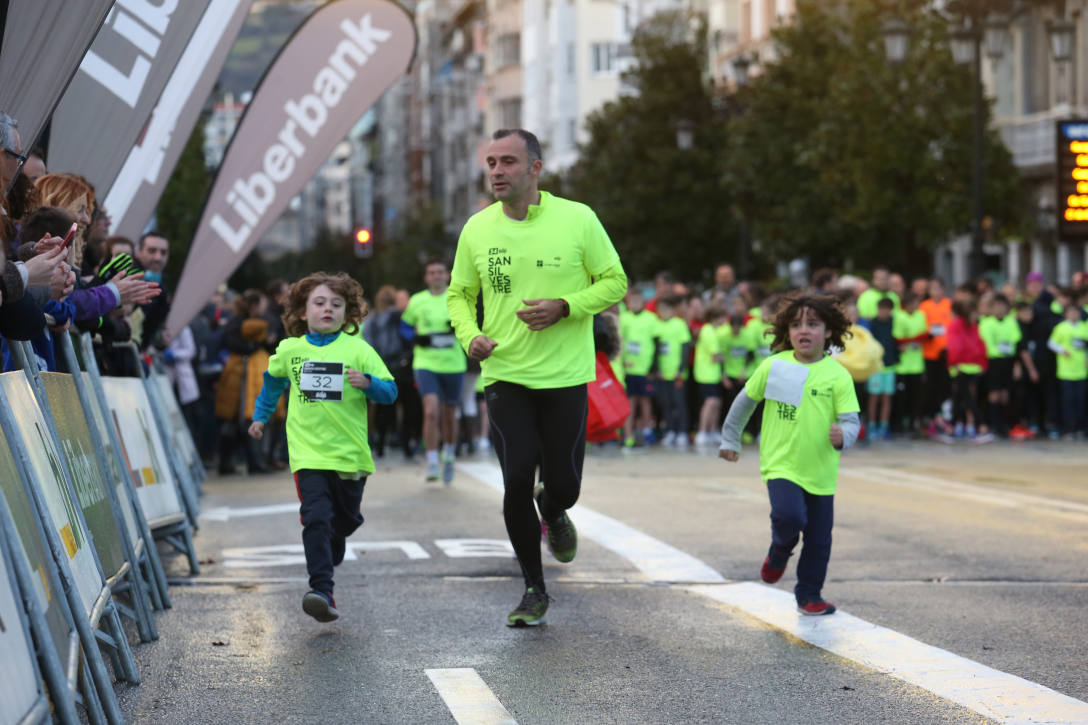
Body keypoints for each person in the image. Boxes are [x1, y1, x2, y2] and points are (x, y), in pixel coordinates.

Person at [447, 128, 627, 627]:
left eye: (508, 161)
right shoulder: (477, 230)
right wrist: (470, 336)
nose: (497, 171)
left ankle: (555, 511)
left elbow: (615, 281)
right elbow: (459, 294)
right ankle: (533, 589)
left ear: (535, 168)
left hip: (566, 374)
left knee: (563, 485)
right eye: (491, 163)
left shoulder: (577, 219)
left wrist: (566, 306)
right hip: (505, 373)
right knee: (515, 480)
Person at [248, 272, 397, 622]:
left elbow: (390, 392)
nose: (327, 309)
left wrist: (369, 383)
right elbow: (272, 385)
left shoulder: (359, 349)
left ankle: (337, 537)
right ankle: (322, 591)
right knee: (315, 518)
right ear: (302, 311)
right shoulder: (290, 350)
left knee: (342, 522)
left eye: (336, 304)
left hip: (350, 455)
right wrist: (260, 417)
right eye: (319, 303)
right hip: (308, 454)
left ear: (348, 313)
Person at [718, 293, 859, 616]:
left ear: (828, 331)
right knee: (790, 517)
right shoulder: (774, 365)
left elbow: (851, 421)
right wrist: (730, 439)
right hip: (781, 464)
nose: (804, 330)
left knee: (819, 540)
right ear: (787, 331)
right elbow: (744, 402)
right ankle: (780, 550)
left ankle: (809, 594)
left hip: (821, 471)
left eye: (813, 323)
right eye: (796, 325)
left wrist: (844, 437)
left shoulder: (837, 375)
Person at [402, 259, 466, 483]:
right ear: (426, 277)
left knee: (450, 414)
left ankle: (448, 455)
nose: (436, 276)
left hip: (453, 364)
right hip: (425, 363)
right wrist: (415, 338)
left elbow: (472, 322)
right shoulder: (417, 301)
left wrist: (458, 327)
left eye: (440, 272)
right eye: (432, 273)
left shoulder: (457, 297)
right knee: (430, 412)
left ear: (447, 275)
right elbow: (405, 326)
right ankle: (431, 461)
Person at [619, 288, 658, 447]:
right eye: (632, 301)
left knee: (646, 401)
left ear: (643, 302)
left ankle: (647, 432)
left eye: (637, 301)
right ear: (628, 303)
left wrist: (653, 368)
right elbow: (620, 342)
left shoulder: (651, 318)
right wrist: (622, 362)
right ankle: (628, 436)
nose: (634, 304)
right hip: (629, 369)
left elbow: (656, 343)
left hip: (645, 369)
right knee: (630, 402)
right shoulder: (624, 318)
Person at [979, 294, 1020, 438]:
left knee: (1005, 394)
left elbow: (1015, 342)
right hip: (993, 361)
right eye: (996, 306)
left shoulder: (1011, 322)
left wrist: (1016, 364)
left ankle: (1004, 425)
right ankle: (993, 424)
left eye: (1002, 305)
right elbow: (987, 345)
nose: (999, 308)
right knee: (994, 394)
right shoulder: (986, 323)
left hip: (1007, 361)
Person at [654, 295, 691, 447]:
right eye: (661, 309)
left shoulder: (679, 324)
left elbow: (685, 347)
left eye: (667, 309)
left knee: (679, 403)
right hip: (663, 374)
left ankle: (682, 432)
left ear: (672, 310)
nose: (664, 312)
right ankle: (670, 431)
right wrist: (657, 369)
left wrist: (680, 369)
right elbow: (655, 349)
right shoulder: (657, 325)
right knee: (666, 403)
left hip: (677, 374)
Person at [1048, 302, 1088, 438]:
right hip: (1066, 372)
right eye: (1070, 312)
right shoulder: (1061, 327)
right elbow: (1051, 343)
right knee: (1068, 402)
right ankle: (1069, 429)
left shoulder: (1084, 327)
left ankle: (1080, 428)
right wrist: (1062, 350)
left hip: (1081, 371)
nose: (1073, 314)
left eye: (1076, 312)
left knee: (1081, 401)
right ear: (1066, 314)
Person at [865, 298, 899, 440]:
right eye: (881, 309)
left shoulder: (895, 323)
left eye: (886, 309)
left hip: (890, 365)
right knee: (874, 397)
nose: (883, 312)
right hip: (875, 367)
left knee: (886, 397)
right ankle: (872, 425)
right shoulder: (872, 324)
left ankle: (884, 427)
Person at [693, 304, 727, 447]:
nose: (724, 320)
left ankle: (712, 431)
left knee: (716, 402)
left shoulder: (711, 330)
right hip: (706, 374)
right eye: (722, 317)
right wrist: (725, 357)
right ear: (715, 318)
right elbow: (715, 357)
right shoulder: (709, 332)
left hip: (712, 374)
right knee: (710, 402)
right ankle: (702, 432)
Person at [134, 231, 171, 346]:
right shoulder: (127, 278)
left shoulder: (163, 288)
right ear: (138, 252)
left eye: (163, 252)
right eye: (152, 251)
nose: (158, 257)